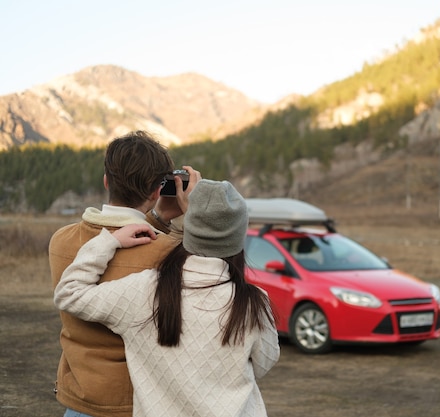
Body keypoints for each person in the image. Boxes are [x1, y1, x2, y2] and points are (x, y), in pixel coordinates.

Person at [54, 179, 280, 417]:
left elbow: (69, 293)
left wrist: (110, 240)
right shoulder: (254, 303)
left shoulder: (145, 291)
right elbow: (264, 363)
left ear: (190, 228)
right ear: (238, 239)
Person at [49, 130, 201, 417]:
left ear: (107, 181)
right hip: (137, 403)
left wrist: (156, 219)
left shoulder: (61, 241)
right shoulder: (170, 252)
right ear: (158, 191)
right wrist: (193, 215)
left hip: (79, 401)